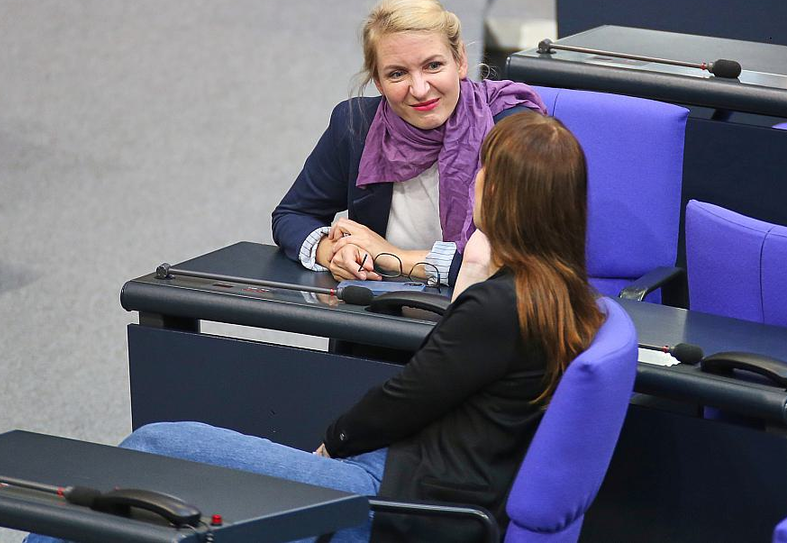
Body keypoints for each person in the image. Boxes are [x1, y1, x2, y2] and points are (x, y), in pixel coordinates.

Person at [24, 111, 605, 543]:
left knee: (153, 446)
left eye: (483, 172)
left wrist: (335, 444)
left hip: (401, 504)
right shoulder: (568, 299)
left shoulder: (497, 307)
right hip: (439, 482)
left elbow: (409, 394)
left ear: (498, 195)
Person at [271, 0, 545, 286]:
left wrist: (391, 255)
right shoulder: (356, 125)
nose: (420, 89)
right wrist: (333, 252)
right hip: (382, 313)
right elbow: (292, 215)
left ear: (461, 60)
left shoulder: (512, 129)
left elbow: (520, 263)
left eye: (433, 66)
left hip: (482, 316)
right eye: (397, 74)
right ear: (378, 81)